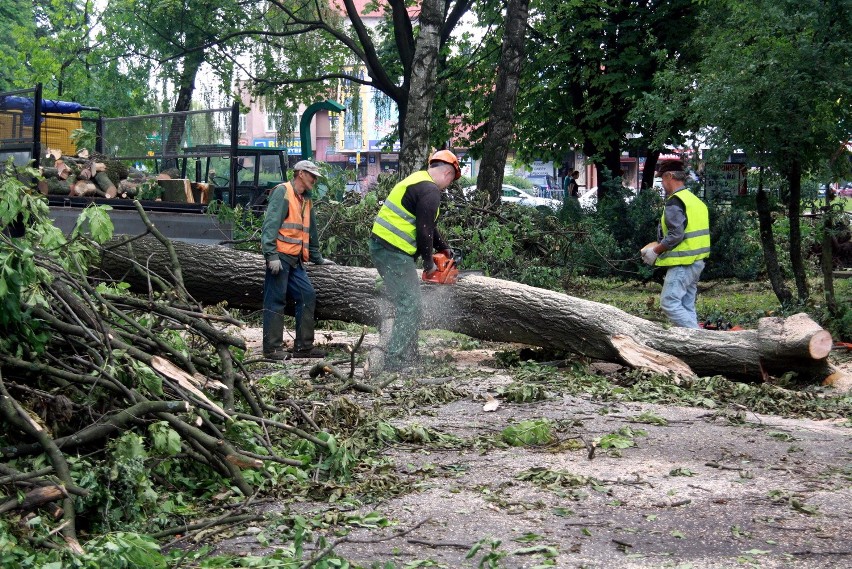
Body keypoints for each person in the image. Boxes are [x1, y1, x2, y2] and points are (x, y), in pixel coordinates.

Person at [369, 150, 460, 371]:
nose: (448, 185)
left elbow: (428, 225)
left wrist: (444, 248)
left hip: (387, 248)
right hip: (392, 250)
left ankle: (408, 355)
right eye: (450, 180)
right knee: (411, 305)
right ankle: (396, 361)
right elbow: (424, 229)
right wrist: (429, 263)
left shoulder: (418, 180)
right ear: (447, 172)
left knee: (410, 304)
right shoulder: (430, 190)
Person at [261, 160, 336, 360]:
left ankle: (304, 347)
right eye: (312, 175)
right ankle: (272, 349)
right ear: (300, 173)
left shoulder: (306, 199)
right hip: (280, 257)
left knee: (307, 296)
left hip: (296, 260)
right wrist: (271, 255)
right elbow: (270, 225)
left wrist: (318, 258)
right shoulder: (283, 192)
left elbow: (311, 232)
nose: (315, 179)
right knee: (275, 300)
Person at [640, 160, 710, 328]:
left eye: (662, 179)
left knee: (669, 302)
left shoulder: (675, 201)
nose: (662, 184)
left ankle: (697, 341)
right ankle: (693, 348)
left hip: (683, 262)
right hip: (697, 261)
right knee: (686, 305)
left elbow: (675, 235)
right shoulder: (694, 201)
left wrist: (655, 251)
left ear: (669, 176)